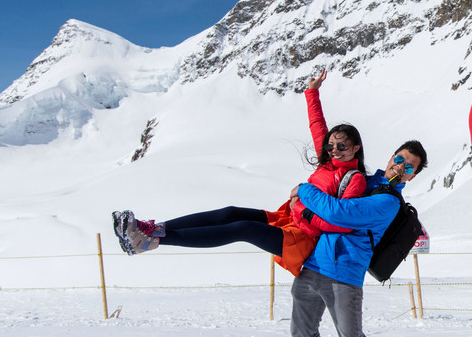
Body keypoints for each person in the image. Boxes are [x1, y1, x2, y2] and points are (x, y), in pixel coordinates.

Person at [111, 69, 367, 277]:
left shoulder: (354, 179)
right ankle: (150, 229)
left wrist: (306, 210)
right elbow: (317, 125)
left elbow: (342, 222)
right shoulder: (326, 163)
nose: (334, 149)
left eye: (342, 146)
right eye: (331, 145)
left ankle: (149, 242)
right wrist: (312, 92)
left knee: (241, 229)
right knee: (230, 212)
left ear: (355, 148)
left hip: (303, 237)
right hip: (286, 218)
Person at [284, 139, 428, 337]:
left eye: (409, 166)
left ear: (412, 176)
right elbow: (330, 146)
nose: (400, 166)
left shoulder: (387, 202)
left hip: (345, 274)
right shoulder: (361, 178)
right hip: (313, 265)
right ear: (391, 156)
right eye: (399, 158)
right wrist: (312, 95)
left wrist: (303, 189)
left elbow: (340, 214)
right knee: (302, 331)